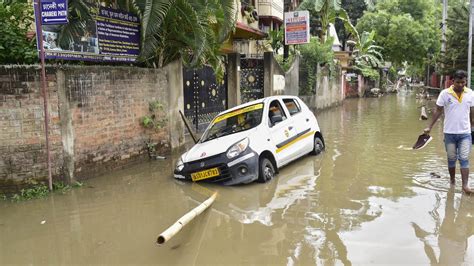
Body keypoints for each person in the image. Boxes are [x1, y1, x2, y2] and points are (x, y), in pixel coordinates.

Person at [424, 70, 474, 194]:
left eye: (463, 82)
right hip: (449, 133)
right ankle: (452, 181)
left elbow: (472, 112)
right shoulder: (445, 94)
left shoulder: (471, 93)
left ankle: (465, 186)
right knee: (451, 158)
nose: (461, 85)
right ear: (453, 81)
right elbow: (438, 111)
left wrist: (473, 126)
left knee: (464, 158)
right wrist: (429, 127)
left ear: (466, 81)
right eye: (458, 82)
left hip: (465, 133)